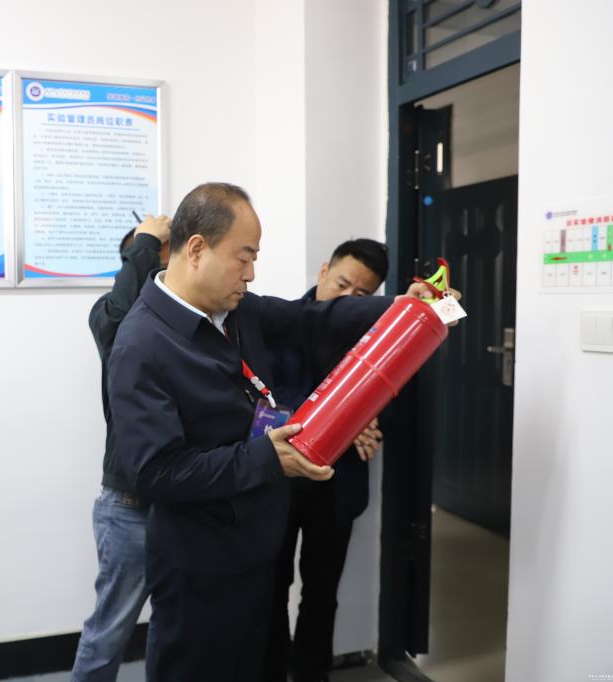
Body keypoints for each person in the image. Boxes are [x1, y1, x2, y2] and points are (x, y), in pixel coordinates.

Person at [107, 183, 431, 682]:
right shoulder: (142, 344)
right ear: (197, 250)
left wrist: (400, 308)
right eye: (244, 258)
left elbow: (312, 317)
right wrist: (265, 457)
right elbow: (156, 472)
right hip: (200, 568)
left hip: (255, 550)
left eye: (254, 259)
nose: (251, 273)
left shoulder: (238, 312)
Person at [266, 239, 389, 682]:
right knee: (271, 589)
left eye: (362, 294)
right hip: (279, 481)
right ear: (323, 272)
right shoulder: (280, 321)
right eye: (341, 284)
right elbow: (268, 399)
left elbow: (394, 395)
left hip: (338, 486)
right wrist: (344, 418)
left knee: (321, 594)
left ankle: (311, 675)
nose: (348, 299)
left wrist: (372, 417)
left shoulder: (377, 338)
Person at [71, 213, 171, 682]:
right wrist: (147, 240)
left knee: (173, 624)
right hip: (129, 506)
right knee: (109, 630)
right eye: (156, 256)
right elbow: (120, 315)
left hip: (181, 503)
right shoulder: (113, 316)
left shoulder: (193, 320)